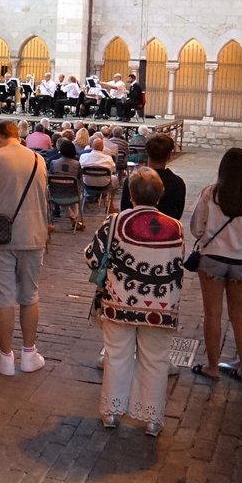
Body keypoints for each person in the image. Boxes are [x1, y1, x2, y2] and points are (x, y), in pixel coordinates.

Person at [86, 168, 184, 436]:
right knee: (156, 359)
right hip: (161, 308)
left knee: (117, 356)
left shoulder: (115, 222)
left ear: (130, 194)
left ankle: (112, 413)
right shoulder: (176, 227)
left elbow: (93, 258)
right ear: (160, 196)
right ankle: (152, 419)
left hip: (119, 304)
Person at [188, 148, 242, 384]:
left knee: (212, 314)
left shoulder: (211, 193)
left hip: (212, 259)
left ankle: (212, 367)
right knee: (240, 316)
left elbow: (196, 227)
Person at [0, 120, 49, 376]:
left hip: (3, 236)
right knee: (30, 295)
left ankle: (5, 358)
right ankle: (29, 353)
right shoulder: (39, 160)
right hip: (35, 233)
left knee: (3, 297)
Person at [119, 134, 184, 219]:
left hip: (134, 227)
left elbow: (125, 209)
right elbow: (177, 213)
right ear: (169, 156)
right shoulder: (177, 183)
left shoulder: (132, 180)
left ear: (147, 153)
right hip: (165, 228)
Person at [48, 138, 85, 230]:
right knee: (74, 192)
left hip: (55, 194)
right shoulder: (76, 164)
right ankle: (74, 220)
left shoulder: (53, 163)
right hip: (73, 194)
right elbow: (80, 179)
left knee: (61, 190)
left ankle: (74, 219)